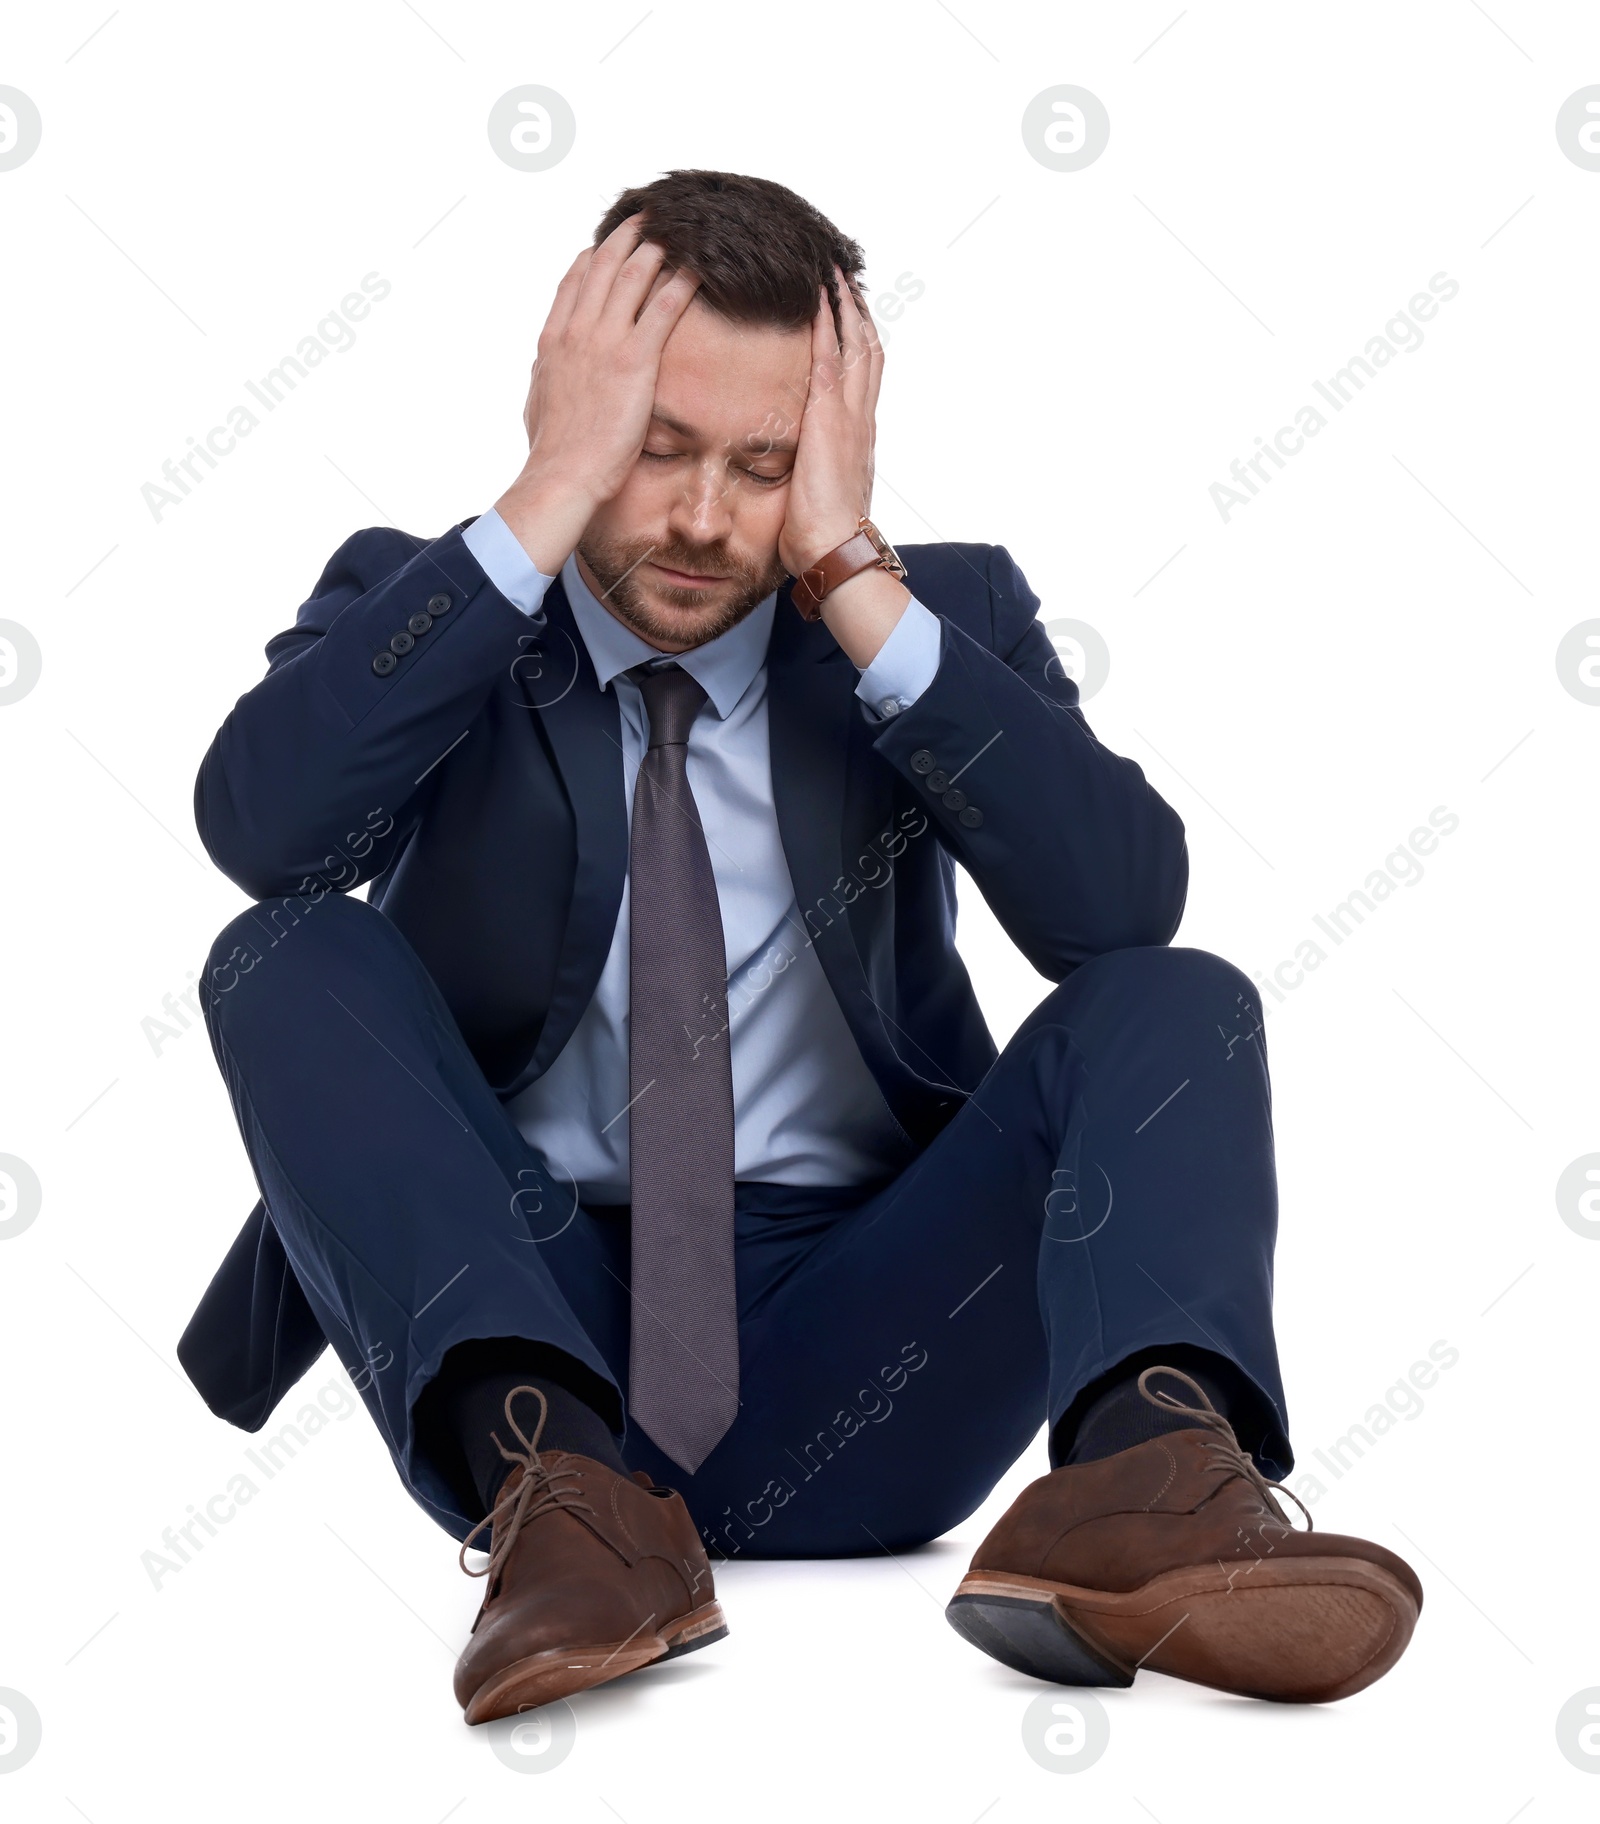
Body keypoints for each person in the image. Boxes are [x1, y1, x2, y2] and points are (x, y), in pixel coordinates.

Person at [177, 169, 1421, 1725]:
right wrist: (543, 502)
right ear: (572, 411)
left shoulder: (932, 610)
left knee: (1182, 1001)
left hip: (880, 1342)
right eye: (654, 449)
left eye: (762, 466)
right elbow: (263, 831)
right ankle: (575, 1523)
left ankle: (1148, 1491)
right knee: (278, 953)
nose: (704, 518)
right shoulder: (426, 603)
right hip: (538, 1353)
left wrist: (851, 579)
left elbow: (1116, 913)